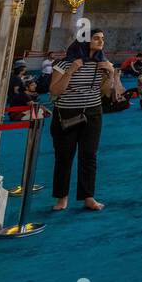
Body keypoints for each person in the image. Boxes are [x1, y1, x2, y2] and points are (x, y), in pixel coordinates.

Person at [48, 33, 113, 212]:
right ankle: (62, 198)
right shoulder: (64, 64)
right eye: (96, 38)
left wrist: (111, 73)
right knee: (64, 157)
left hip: (92, 113)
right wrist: (71, 71)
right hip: (67, 113)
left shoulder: (101, 65)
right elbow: (54, 90)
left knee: (89, 155)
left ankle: (88, 196)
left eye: (102, 38)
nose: (101, 41)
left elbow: (106, 93)